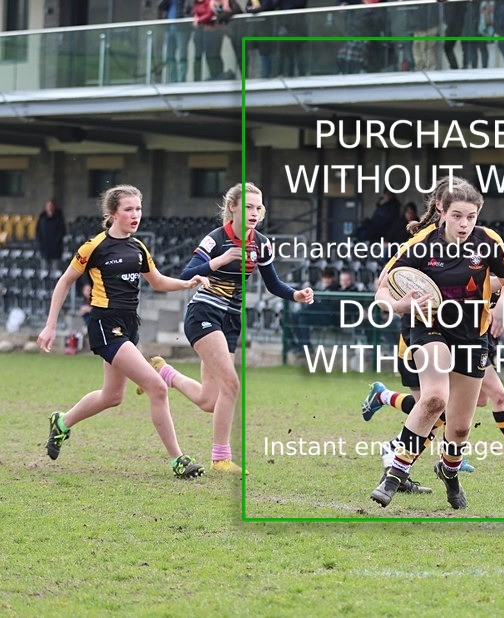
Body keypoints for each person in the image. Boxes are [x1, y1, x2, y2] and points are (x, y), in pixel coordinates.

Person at [37, 185, 209, 479]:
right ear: (113, 213)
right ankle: (178, 460)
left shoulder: (138, 247)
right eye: (128, 209)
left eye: (138, 209)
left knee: (112, 396)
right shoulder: (94, 247)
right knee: (156, 387)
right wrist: (50, 325)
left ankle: (61, 423)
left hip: (129, 324)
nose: (135, 215)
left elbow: (156, 281)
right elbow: (64, 282)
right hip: (106, 324)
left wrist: (187, 283)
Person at [141, 183, 314, 473]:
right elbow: (186, 274)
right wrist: (220, 260)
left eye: (258, 207)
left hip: (232, 320)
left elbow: (273, 284)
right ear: (232, 207)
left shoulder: (262, 243)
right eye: (247, 206)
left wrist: (296, 294)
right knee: (232, 384)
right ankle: (220, 457)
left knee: (210, 400)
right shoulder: (215, 240)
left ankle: (163, 372)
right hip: (204, 313)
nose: (254, 212)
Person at [369, 177, 504, 509]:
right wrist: (397, 306)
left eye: (471, 216)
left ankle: (449, 472)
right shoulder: (420, 245)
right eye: (457, 216)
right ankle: (394, 474)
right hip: (429, 328)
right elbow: (381, 290)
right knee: (435, 397)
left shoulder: (488, 242)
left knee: (461, 428)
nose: (464, 224)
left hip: (471, 334)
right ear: (442, 210)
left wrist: (503, 307)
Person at [399, 0, 439, 71]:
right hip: (420, 22)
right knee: (418, 47)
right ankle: (420, 70)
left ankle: (430, 72)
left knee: (426, 48)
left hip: (427, 22)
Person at [337, 0, 384, 74]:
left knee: (356, 49)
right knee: (344, 52)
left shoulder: (377, 9)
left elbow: (376, 25)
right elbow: (353, 25)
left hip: (370, 39)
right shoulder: (359, 9)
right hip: (357, 37)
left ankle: (359, 70)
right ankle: (346, 72)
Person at [158, 0, 193, 83]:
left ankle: (181, 80)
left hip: (182, 28)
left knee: (182, 55)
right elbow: (160, 6)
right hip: (169, 28)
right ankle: (172, 80)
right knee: (170, 56)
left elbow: (190, 5)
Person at [201, 0, 242, 81]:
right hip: (217, 31)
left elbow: (237, 10)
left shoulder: (229, 0)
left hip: (235, 31)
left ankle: (245, 76)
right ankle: (216, 75)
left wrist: (223, 15)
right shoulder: (211, 4)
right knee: (212, 54)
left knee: (240, 54)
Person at [275, 0, 310, 77]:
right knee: (287, 55)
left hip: (298, 27)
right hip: (286, 27)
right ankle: (288, 76)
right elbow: (275, 5)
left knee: (299, 54)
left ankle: (302, 76)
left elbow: (297, 2)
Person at [437, 0, 470, 70]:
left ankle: (466, 67)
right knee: (447, 46)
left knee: (465, 45)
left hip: (462, 18)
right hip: (450, 20)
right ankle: (454, 67)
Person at [245, 0, 276, 78]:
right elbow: (247, 8)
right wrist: (255, 9)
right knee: (255, 53)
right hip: (255, 30)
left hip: (266, 29)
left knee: (266, 54)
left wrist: (256, 9)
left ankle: (266, 76)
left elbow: (264, 7)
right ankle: (254, 76)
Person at [462, 0, 489, 68]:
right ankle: (474, 67)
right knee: (472, 45)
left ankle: (485, 68)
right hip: (470, 20)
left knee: (482, 46)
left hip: (481, 19)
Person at [36, 199, 66, 273]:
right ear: (45, 207)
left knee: (55, 271)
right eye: (48, 206)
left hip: (55, 249)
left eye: (51, 206)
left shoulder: (59, 218)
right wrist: (40, 242)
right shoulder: (42, 218)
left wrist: (57, 243)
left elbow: (62, 232)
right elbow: (38, 231)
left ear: (54, 207)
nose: (49, 207)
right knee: (44, 271)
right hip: (44, 249)